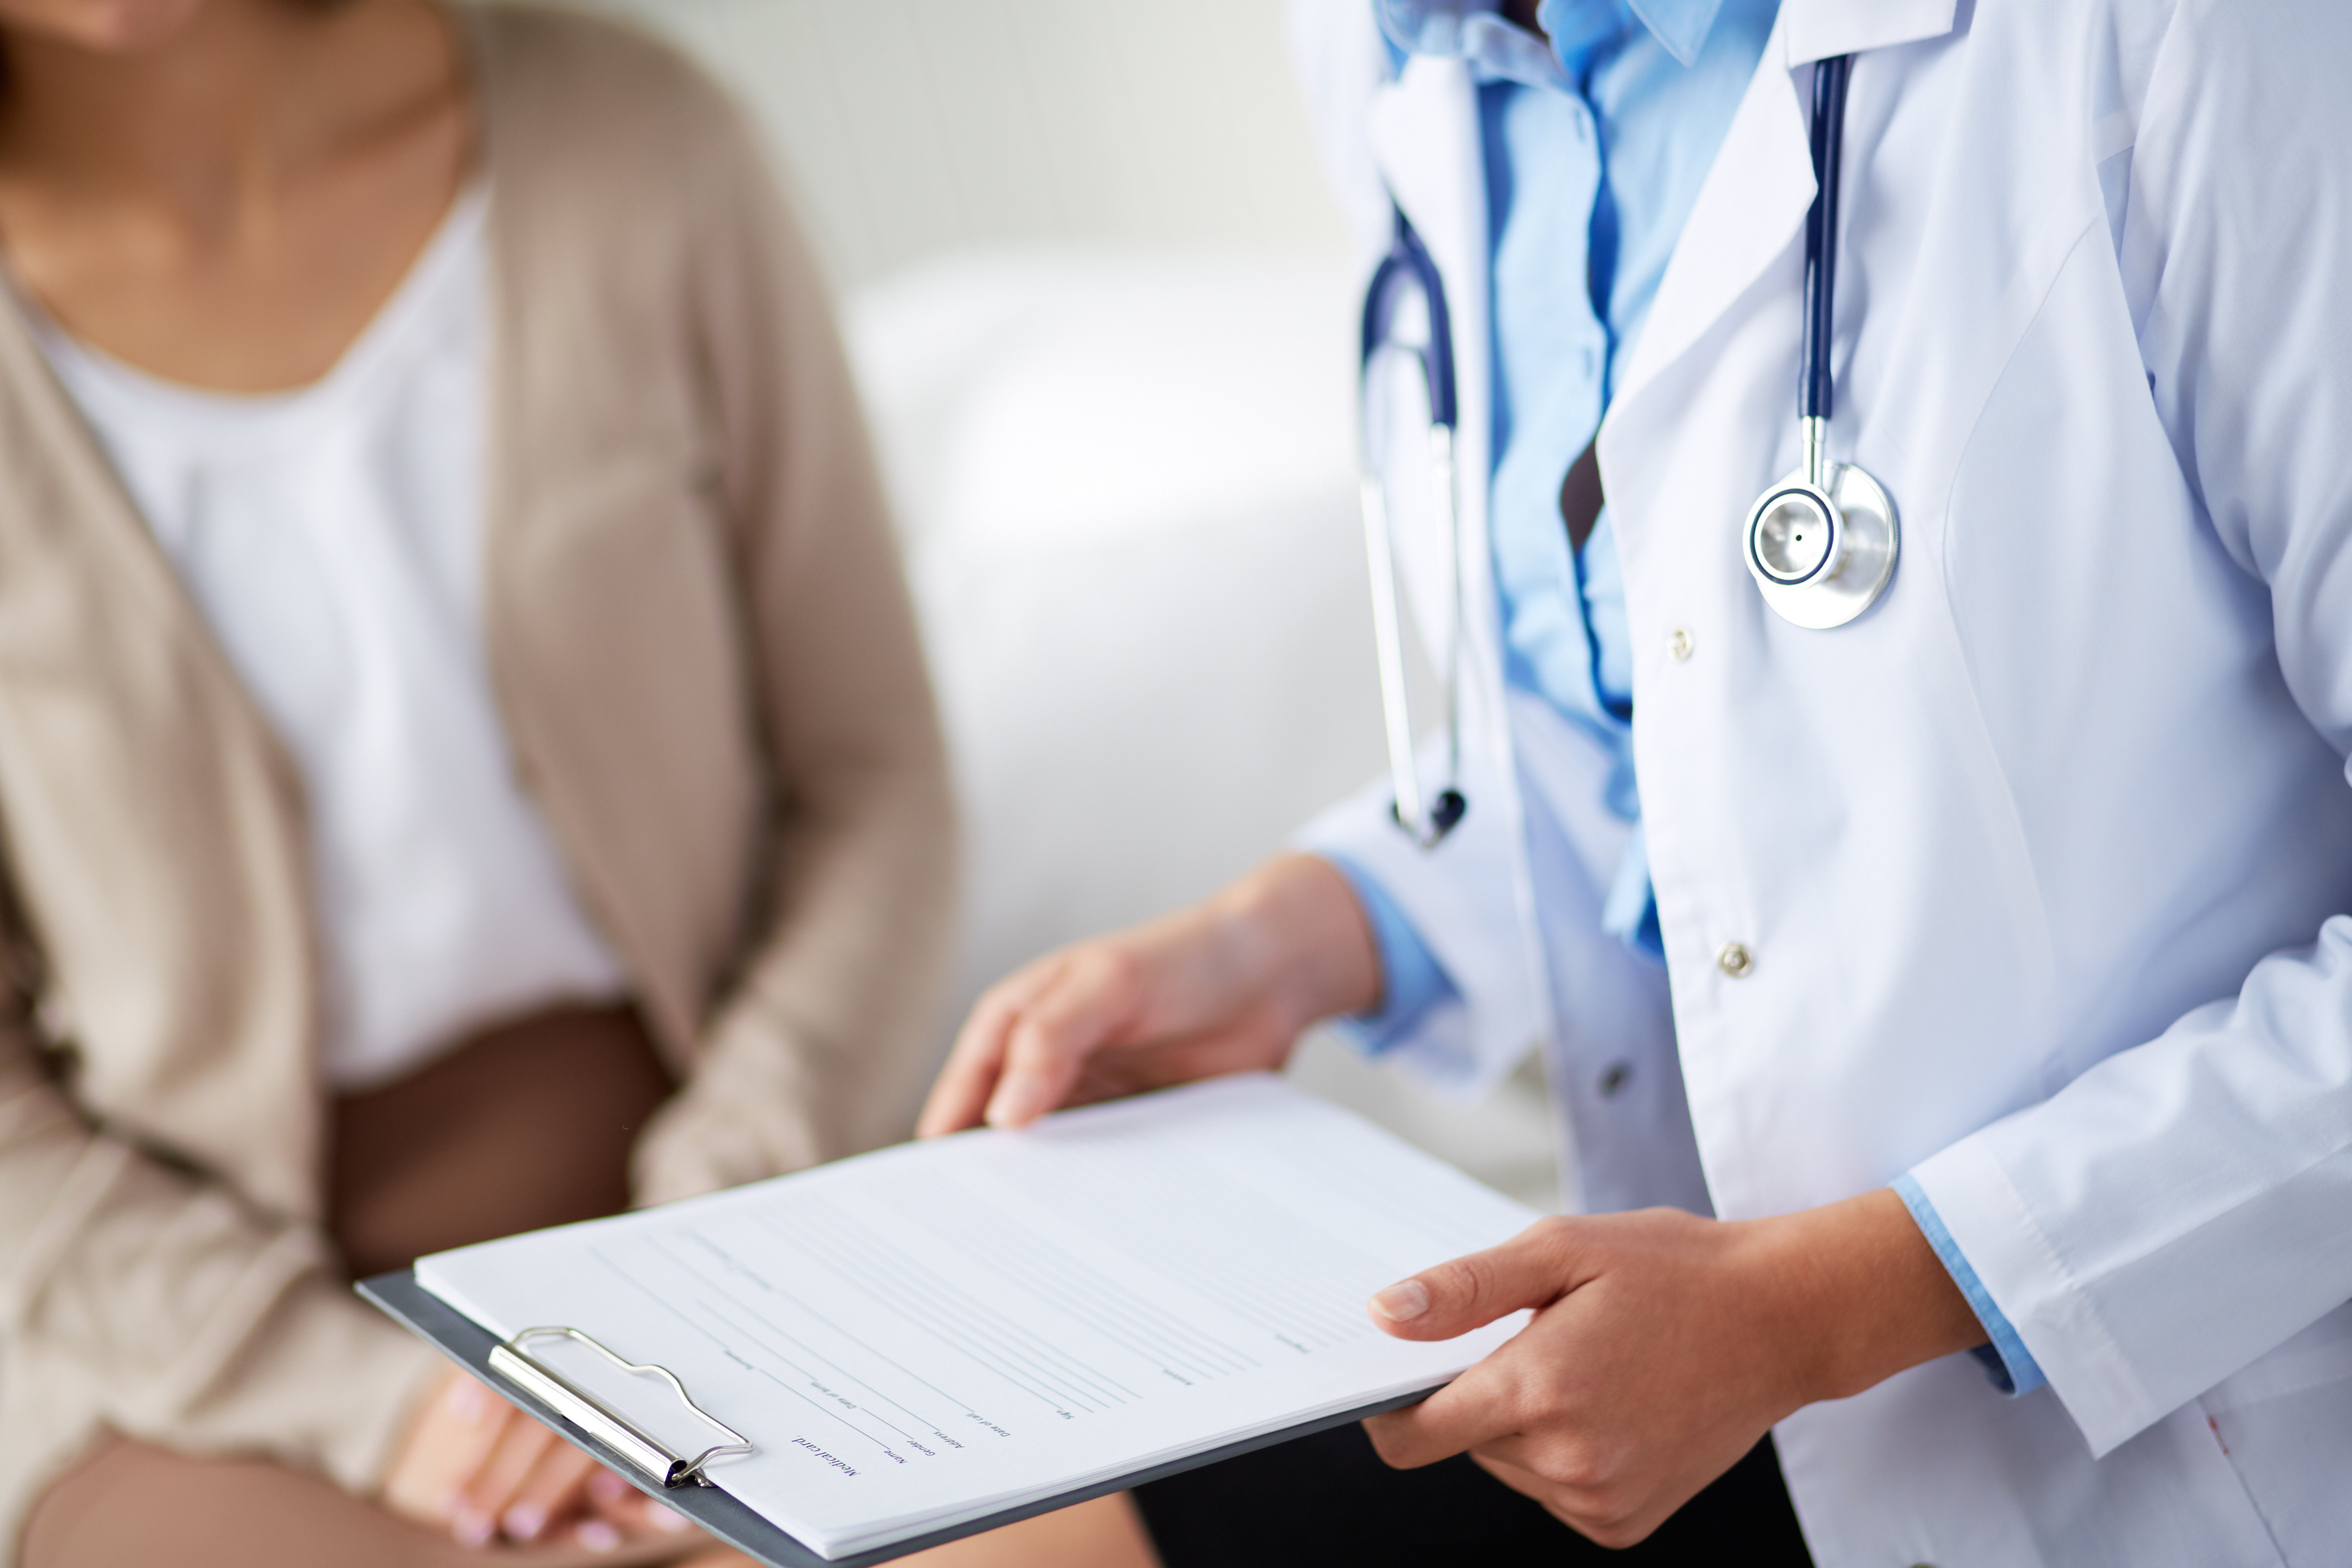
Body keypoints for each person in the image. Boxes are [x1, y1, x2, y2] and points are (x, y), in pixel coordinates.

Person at [920, 1, 2352, 1565]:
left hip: (2184, 1438)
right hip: (1692, 1384)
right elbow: (1670, 726)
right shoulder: (1392, 48)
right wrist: (1310, 931)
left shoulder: (2185, 36)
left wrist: (1827, 1307)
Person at [0, 0, 959, 1562]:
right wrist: (382, 1408)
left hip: (729, 1204)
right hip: (181, 1344)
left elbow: (875, 781)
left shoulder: (642, 148)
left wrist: (711, 1248)